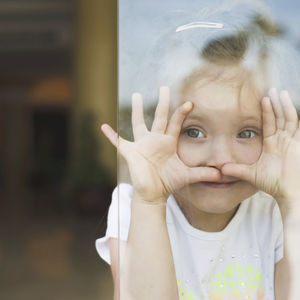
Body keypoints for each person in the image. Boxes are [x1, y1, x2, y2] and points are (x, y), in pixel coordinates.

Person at [96, 31, 300, 300]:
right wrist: (150, 203)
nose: (220, 159)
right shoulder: (134, 205)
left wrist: (293, 201)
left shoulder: (275, 212)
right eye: (193, 132)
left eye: (247, 133)